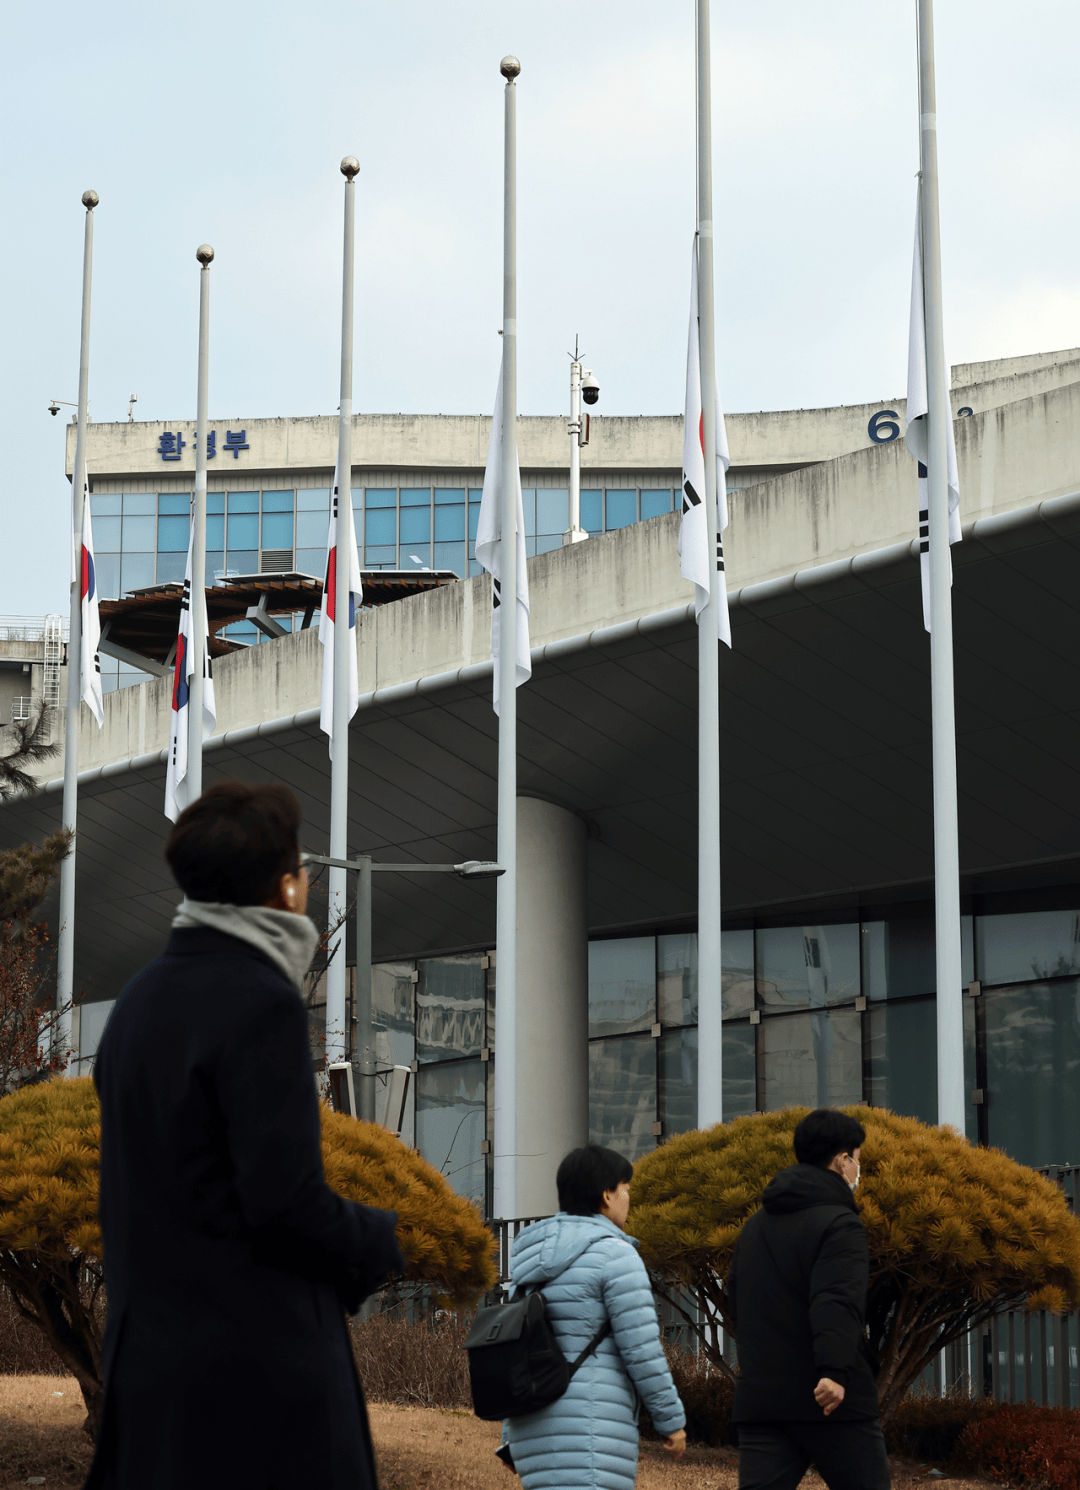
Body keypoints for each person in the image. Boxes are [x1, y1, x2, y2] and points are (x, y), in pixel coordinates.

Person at [85, 780, 404, 1490]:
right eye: (302, 872)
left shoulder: (138, 1002)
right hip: (252, 1375)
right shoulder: (261, 1001)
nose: (309, 887)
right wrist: (380, 1237)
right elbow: (284, 1201)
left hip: (151, 1371)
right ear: (285, 889)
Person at [502, 1142, 686, 1490]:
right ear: (606, 1196)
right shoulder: (615, 1255)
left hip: (529, 1429)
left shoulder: (531, 1259)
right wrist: (671, 1421)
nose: (627, 1200)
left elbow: (517, 1351)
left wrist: (510, 1434)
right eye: (625, 1190)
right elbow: (642, 1349)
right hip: (591, 1431)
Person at [727, 1108, 890, 1490]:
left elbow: (739, 1304)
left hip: (763, 1400)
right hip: (830, 1400)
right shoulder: (840, 1223)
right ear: (842, 1160)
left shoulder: (755, 1225)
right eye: (858, 1158)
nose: (858, 1169)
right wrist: (834, 1370)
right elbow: (837, 1299)